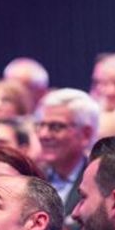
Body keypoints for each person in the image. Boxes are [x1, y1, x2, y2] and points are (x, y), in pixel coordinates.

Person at [33, 88, 100, 221]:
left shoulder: (100, 183)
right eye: (41, 125)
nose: (43, 135)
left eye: (56, 127)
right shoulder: (32, 177)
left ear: (86, 134)